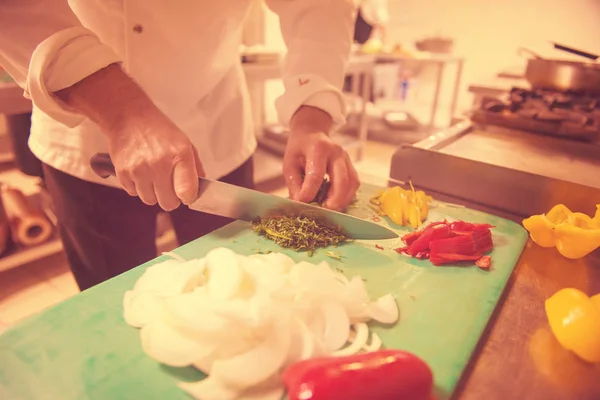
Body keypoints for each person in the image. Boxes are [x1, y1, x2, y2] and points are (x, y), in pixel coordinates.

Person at [0, 0, 360, 291]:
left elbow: (321, 6)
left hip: (217, 128)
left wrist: (312, 115)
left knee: (229, 288)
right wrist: (123, 113)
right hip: (90, 133)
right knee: (112, 298)